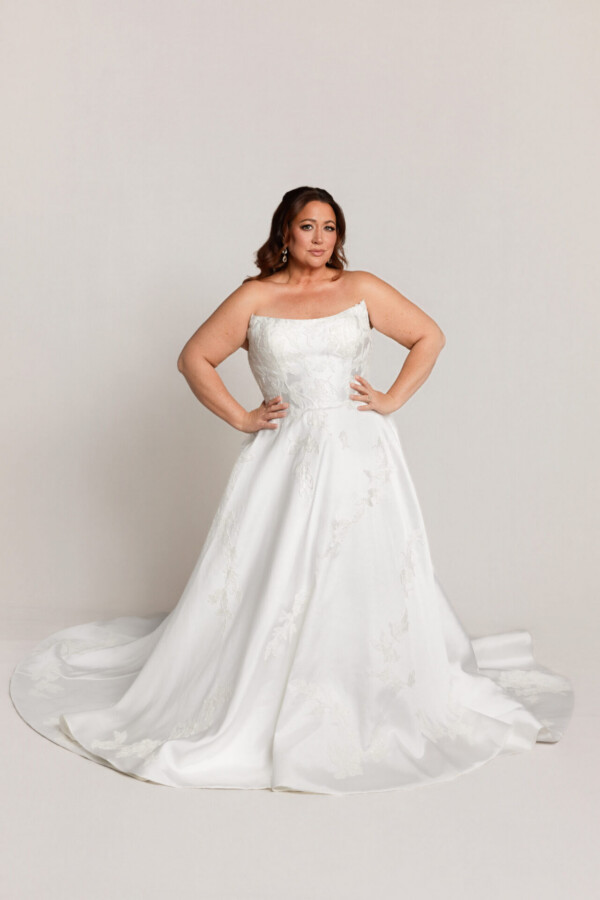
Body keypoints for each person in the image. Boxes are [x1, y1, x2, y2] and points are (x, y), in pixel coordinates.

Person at [9, 186, 574, 794]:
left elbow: (429, 336)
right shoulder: (256, 296)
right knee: (275, 571)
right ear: (285, 232)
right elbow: (195, 358)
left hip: (358, 452)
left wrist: (389, 401)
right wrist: (241, 417)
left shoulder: (360, 289)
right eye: (308, 227)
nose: (320, 238)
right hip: (284, 454)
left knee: (356, 568)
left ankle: (357, 684)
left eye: (330, 228)